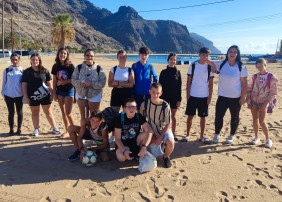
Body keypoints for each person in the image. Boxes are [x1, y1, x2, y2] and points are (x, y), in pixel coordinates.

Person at [210, 45, 248, 143]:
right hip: (222, 96)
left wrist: (243, 96)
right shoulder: (222, 63)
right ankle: (217, 134)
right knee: (219, 116)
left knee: (234, 117)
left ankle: (232, 135)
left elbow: (244, 83)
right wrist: (213, 65)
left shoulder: (241, 67)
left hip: (236, 98)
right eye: (230, 51)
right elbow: (207, 60)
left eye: (234, 52)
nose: (232, 53)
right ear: (227, 53)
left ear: (237, 54)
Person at [21, 53, 60, 136]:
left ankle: (54, 127)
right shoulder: (27, 72)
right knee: (35, 112)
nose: (35, 61)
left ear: (39, 61)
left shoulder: (45, 70)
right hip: (32, 96)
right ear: (30, 60)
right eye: (33, 59)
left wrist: (52, 94)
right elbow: (24, 85)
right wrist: (26, 97)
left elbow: (49, 83)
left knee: (48, 112)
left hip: (45, 96)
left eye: (37, 59)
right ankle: (36, 129)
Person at [71, 49, 106, 136]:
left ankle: (94, 135)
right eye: (87, 55)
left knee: (94, 117)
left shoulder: (98, 68)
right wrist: (81, 82)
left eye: (91, 56)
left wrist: (91, 84)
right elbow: (73, 80)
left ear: (94, 57)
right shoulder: (78, 68)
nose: (89, 57)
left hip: (95, 95)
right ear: (84, 56)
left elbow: (103, 83)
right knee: (84, 117)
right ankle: (84, 135)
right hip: (81, 95)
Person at [182, 47, 214, 143]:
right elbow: (188, 82)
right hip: (193, 95)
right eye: (203, 55)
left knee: (203, 117)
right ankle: (187, 135)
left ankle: (201, 136)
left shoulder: (210, 67)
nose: (205, 57)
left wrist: (210, 97)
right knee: (190, 116)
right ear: (199, 54)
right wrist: (188, 95)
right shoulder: (193, 66)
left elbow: (211, 84)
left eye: (207, 55)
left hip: (204, 96)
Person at [140, 83, 175, 168]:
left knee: (170, 142)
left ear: (161, 93)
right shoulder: (144, 104)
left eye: (157, 93)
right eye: (153, 92)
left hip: (163, 130)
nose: (155, 95)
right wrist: (150, 137)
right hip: (150, 131)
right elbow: (142, 121)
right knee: (155, 158)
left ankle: (166, 157)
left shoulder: (165, 105)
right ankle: (161, 148)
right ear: (149, 92)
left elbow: (168, 124)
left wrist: (159, 138)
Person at [246, 58, 278, 148]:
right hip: (254, 101)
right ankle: (256, 137)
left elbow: (273, 93)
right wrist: (248, 101)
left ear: (265, 65)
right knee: (254, 120)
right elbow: (249, 89)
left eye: (261, 66)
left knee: (262, 121)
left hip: (264, 102)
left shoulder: (271, 77)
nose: (260, 68)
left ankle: (268, 139)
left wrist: (266, 103)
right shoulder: (255, 76)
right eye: (258, 66)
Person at [115, 98, 153, 162]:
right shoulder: (120, 118)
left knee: (146, 133)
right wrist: (124, 150)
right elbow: (117, 139)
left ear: (136, 108)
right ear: (124, 109)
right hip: (124, 144)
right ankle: (130, 154)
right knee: (121, 158)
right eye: (129, 107)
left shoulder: (139, 116)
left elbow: (149, 131)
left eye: (133, 106)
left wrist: (144, 147)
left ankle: (140, 153)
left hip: (136, 142)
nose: (131, 109)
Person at [51, 47, 76, 139]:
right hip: (59, 92)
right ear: (58, 54)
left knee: (68, 113)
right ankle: (67, 131)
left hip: (69, 91)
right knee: (63, 112)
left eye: (65, 53)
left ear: (67, 55)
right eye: (61, 53)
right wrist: (54, 93)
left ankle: (76, 131)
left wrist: (62, 82)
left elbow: (74, 80)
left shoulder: (70, 66)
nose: (63, 55)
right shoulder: (55, 66)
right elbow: (54, 80)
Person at [159, 53, 182, 141]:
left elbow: (179, 87)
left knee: (174, 116)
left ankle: (173, 133)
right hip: (164, 97)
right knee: (163, 116)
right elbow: (159, 86)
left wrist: (179, 99)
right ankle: (162, 132)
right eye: (171, 59)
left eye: (174, 60)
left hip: (174, 97)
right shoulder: (163, 72)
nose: (173, 61)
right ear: (168, 60)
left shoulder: (178, 73)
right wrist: (159, 98)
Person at [1, 53, 23, 135]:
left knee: (19, 112)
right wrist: (3, 93)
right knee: (11, 113)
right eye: (13, 59)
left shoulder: (22, 71)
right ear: (11, 60)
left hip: (19, 95)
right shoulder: (6, 70)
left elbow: (24, 85)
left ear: (19, 60)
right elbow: (4, 82)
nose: (14, 61)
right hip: (8, 95)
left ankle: (19, 129)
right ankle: (11, 129)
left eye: (16, 59)